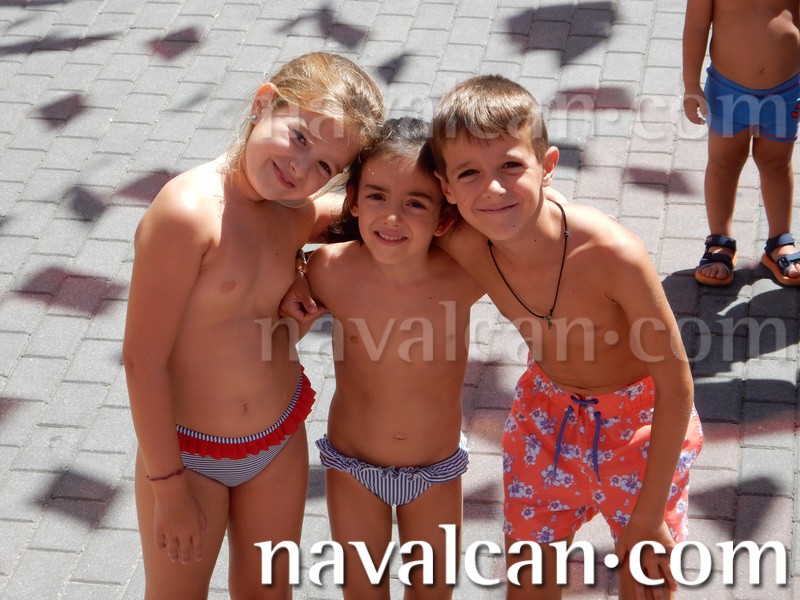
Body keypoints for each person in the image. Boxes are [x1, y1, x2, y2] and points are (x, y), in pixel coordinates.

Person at [429, 75, 704, 599]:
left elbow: (677, 386)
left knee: (647, 582)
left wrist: (648, 517)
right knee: (529, 582)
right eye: (469, 173)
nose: (492, 188)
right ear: (446, 188)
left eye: (512, 166)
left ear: (547, 165)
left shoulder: (612, 254)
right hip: (545, 419)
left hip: (640, 427)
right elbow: (370, 214)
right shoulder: (462, 240)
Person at [122, 52, 384, 599]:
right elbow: (142, 361)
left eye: (325, 167)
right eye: (299, 137)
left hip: (277, 442)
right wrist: (167, 488)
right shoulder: (188, 213)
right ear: (264, 102)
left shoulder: (293, 213)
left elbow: (373, 213)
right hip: (188, 455)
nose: (301, 169)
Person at [286, 117, 483, 599]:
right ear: (353, 199)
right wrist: (291, 282)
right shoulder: (328, 269)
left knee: (433, 591)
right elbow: (270, 228)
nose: (392, 218)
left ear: (444, 217)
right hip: (353, 467)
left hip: (436, 471)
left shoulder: (465, 273)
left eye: (415, 203)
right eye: (377, 196)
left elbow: (531, 236)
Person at [683, 0, 800, 286]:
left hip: (786, 90)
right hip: (728, 90)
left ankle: (779, 241)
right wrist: (691, 85)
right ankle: (720, 241)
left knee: (776, 162)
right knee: (724, 162)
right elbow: (696, 25)